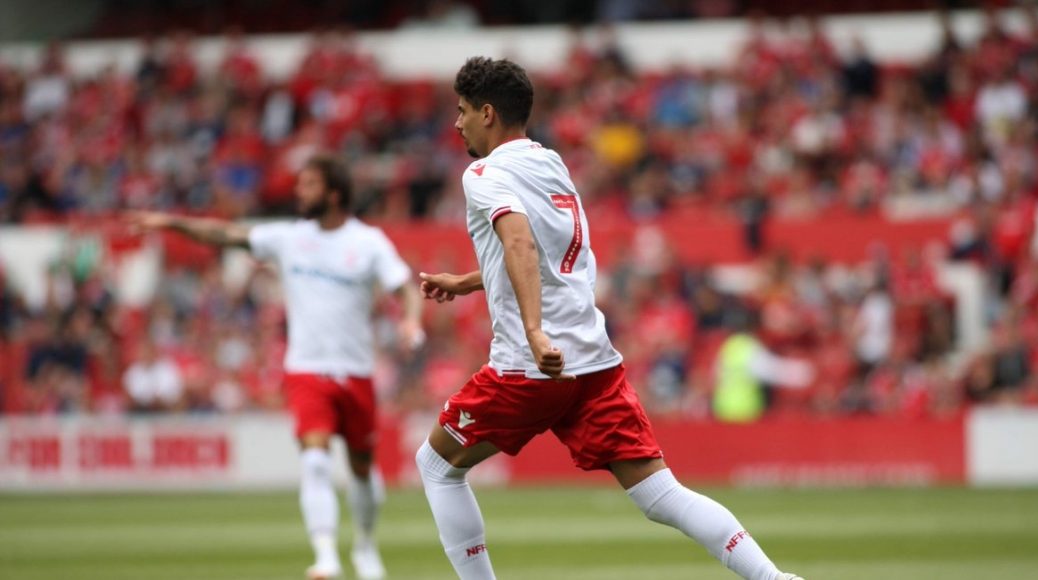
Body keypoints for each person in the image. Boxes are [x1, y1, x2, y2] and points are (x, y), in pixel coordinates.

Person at [416, 56, 804, 580]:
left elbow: (520, 243)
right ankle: (775, 578)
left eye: (462, 110)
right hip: (593, 363)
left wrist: (534, 332)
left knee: (437, 466)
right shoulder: (551, 164)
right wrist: (467, 282)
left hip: (529, 368)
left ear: (487, 113)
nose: (457, 122)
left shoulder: (482, 174)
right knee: (661, 494)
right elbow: (546, 255)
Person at [128, 154, 423, 580]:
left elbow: (404, 287)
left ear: (334, 194)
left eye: (309, 185)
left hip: (356, 371)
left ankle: (364, 546)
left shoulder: (368, 241)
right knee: (315, 461)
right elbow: (226, 234)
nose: (299, 192)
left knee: (362, 469)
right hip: (306, 369)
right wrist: (171, 222)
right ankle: (325, 556)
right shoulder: (289, 237)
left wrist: (411, 320)